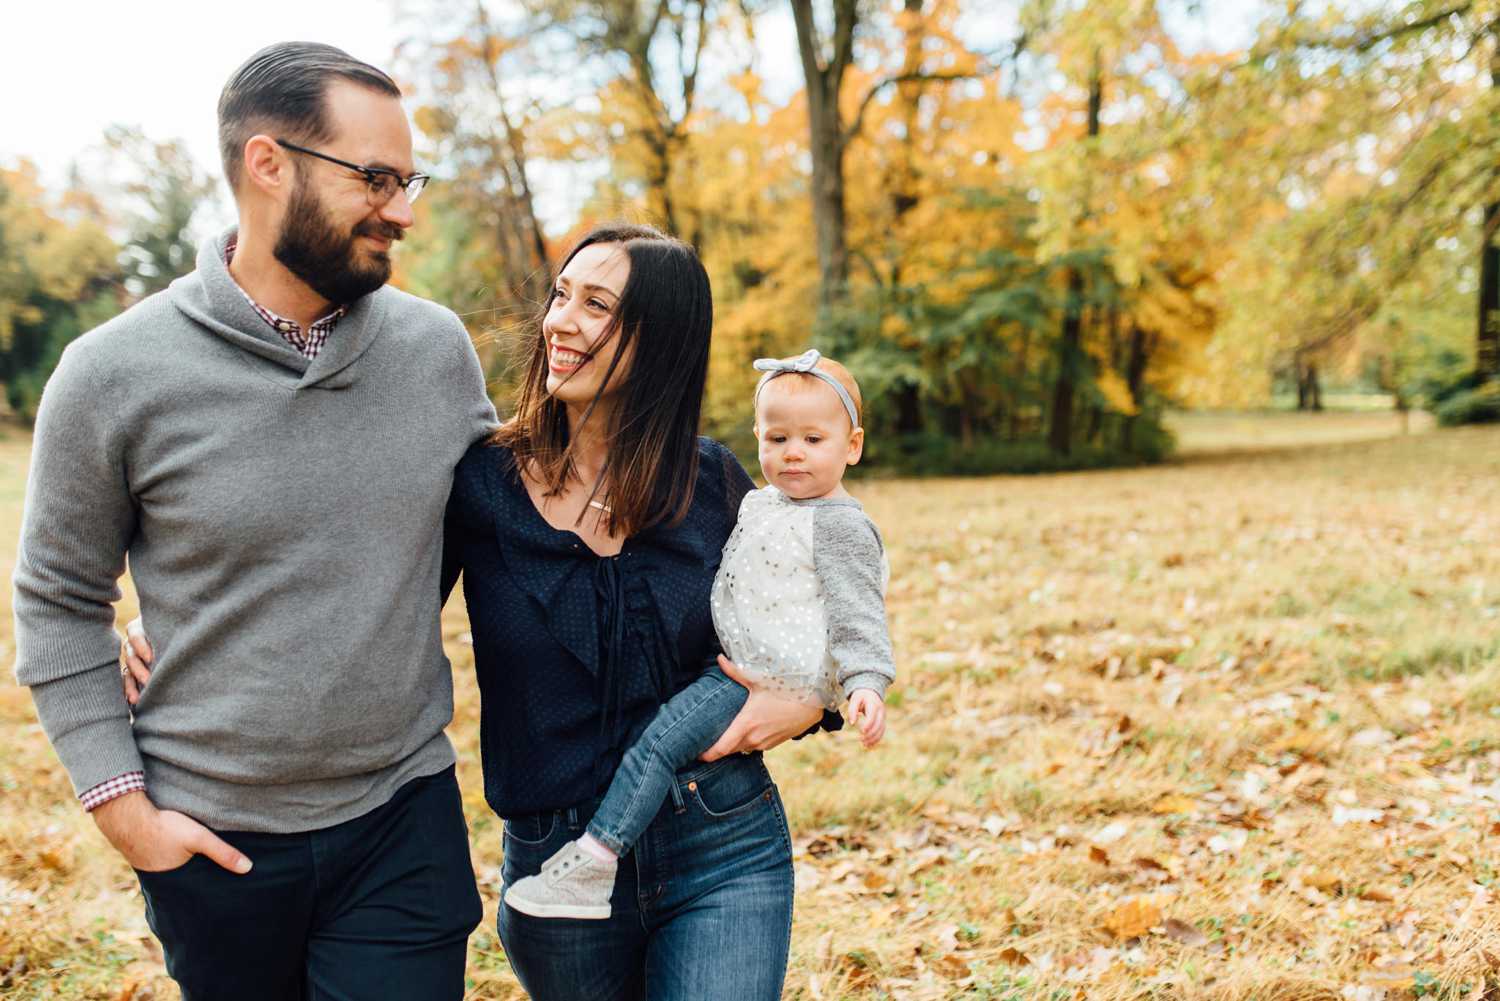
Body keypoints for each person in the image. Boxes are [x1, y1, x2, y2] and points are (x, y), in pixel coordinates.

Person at [14, 42, 494, 1000]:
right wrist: (124, 811)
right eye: (376, 178)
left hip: (402, 816)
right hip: (211, 843)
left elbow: (504, 529)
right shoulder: (110, 374)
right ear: (266, 164)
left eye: (410, 179)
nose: (403, 209)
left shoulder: (436, 350)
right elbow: (58, 596)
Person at [440, 223, 844, 999]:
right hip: (556, 867)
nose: (561, 320)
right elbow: (374, 605)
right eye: (563, 295)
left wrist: (810, 698)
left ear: (659, 340)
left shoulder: (712, 480)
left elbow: (817, 602)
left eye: (598, 305)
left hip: (720, 841)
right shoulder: (481, 484)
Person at [503, 347, 895, 921]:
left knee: (660, 744)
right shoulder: (763, 502)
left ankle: (594, 858)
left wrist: (863, 683)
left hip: (756, 676)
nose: (792, 455)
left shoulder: (840, 526)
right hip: (735, 662)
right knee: (663, 742)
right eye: (777, 439)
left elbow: (859, 610)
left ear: (852, 446)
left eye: (813, 441)